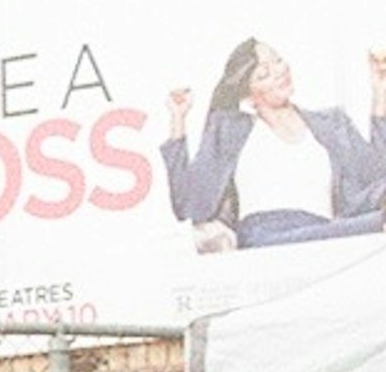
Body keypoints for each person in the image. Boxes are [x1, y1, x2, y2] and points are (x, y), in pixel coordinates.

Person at [158, 42, 386, 251]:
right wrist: (178, 119)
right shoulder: (229, 131)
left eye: (277, 61)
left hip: (325, 237)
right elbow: (189, 204)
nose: (278, 73)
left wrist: (380, 91)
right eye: (263, 74)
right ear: (249, 97)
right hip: (263, 238)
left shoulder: (333, 124)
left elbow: (375, 177)